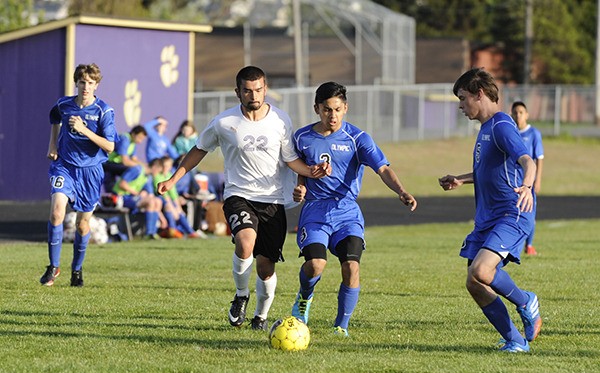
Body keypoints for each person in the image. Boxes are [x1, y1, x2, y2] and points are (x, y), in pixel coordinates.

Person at [157, 66, 331, 330]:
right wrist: (173, 179)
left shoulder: (281, 120)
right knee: (245, 242)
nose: (254, 95)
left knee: (266, 267)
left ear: (266, 88)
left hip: (272, 200)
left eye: (259, 89)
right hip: (238, 195)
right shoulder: (224, 122)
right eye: (248, 90)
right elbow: (199, 150)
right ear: (237, 92)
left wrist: (311, 172)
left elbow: (291, 158)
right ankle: (241, 295)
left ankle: (260, 317)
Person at [290, 82, 417, 337]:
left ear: (345, 108)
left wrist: (401, 191)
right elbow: (297, 169)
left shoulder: (358, 138)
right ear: (317, 108)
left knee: (351, 267)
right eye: (327, 109)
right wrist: (300, 188)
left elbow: (383, 169)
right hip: (315, 211)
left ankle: (341, 326)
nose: (332, 115)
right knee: (315, 264)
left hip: (347, 212)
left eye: (337, 109)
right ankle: (304, 296)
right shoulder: (301, 138)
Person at [438, 68, 542, 353]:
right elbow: (488, 170)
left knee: (482, 271)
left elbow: (527, 161)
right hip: (488, 217)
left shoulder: (501, 126)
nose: (460, 106)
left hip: (512, 211)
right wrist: (461, 179)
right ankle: (515, 340)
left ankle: (525, 301)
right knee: (474, 281)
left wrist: (527, 186)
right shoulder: (486, 129)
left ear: (479, 94)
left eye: (462, 98)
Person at [41, 63, 117, 287]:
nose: (86, 87)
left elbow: (110, 146)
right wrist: (53, 145)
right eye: (82, 82)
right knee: (57, 213)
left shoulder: (104, 111)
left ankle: (76, 269)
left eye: (90, 83)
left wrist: (84, 130)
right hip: (64, 166)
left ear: (97, 85)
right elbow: (54, 119)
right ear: (76, 82)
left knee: (83, 225)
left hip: (90, 172)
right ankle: (53, 267)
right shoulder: (64, 104)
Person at [511, 101, 544, 256]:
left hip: (527, 181)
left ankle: (529, 245)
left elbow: (539, 158)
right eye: (515, 112)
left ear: (527, 114)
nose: (518, 115)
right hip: (512, 180)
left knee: (529, 212)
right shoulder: (510, 132)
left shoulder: (533, 134)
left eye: (521, 112)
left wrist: (537, 180)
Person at [112, 164, 164, 240]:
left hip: (133, 198)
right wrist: (137, 193)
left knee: (158, 201)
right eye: (159, 171)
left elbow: (150, 195)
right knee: (150, 202)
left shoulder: (148, 177)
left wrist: (162, 218)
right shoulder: (137, 170)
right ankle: (148, 233)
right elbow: (122, 184)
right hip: (122, 198)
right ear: (155, 167)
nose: (158, 174)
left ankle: (153, 232)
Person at [103, 125, 147, 191]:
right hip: (108, 163)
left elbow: (134, 159)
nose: (140, 141)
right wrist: (140, 167)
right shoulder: (125, 139)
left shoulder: (133, 142)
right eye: (139, 138)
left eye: (142, 139)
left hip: (117, 165)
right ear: (133, 134)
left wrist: (145, 166)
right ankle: (123, 185)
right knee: (137, 169)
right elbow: (125, 161)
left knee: (140, 169)